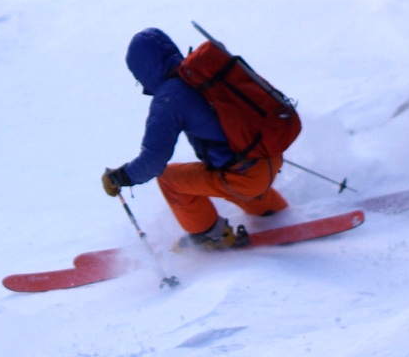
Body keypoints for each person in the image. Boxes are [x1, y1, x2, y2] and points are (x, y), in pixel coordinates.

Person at [101, 27, 288, 250]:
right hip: (269, 155)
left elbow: (154, 161)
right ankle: (272, 212)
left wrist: (120, 177)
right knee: (224, 169)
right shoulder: (201, 75)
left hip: (245, 176)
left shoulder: (169, 98)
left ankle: (211, 236)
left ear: (144, 71)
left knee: (170, 179)